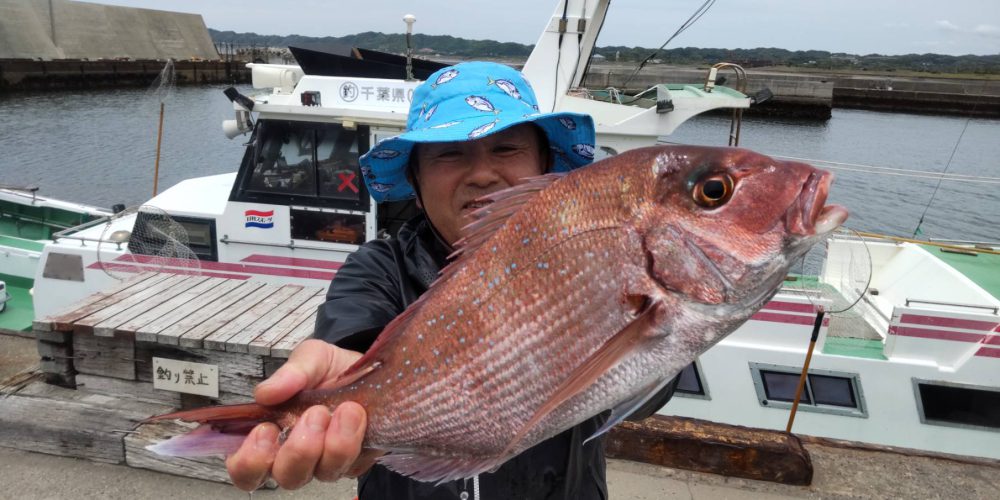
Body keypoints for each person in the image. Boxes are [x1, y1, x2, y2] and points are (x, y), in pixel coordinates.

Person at [225, 61, 678, 499]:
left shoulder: (594, 257)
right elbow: (353, 332)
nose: (482, 174)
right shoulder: (380, 266)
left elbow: (655, 385)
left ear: (545, 168)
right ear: (415, 181)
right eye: (449, 153)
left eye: (507, 148)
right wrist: (348, 379)